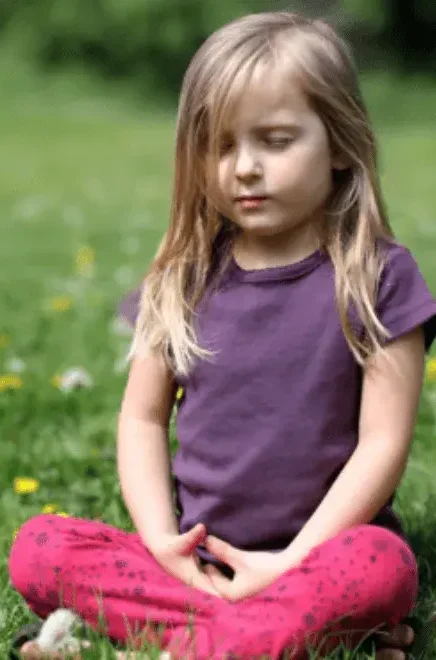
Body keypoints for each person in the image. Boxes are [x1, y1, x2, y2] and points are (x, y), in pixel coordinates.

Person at [9, 10, 436, 660]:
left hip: (324, 555)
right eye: (221, 144)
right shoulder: (183, 274)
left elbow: (383, 442)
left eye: (275, 140)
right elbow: (143, 420)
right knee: (39, 548)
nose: (243, 168)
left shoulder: (379, 277)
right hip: (197, 562)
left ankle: (206, 633)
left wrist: (292, 562)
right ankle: (261, 634)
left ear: (342, 143)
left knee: (383, 567)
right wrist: (162, 546)